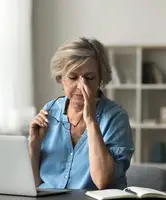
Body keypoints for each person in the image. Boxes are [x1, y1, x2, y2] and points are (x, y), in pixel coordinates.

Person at [29, 37, 135, 190]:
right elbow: (33, 184)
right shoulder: (50, 110)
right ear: (61, 79)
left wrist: (91, 121)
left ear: (100, 79)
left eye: (90, 77)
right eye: (73, 77)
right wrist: (34, 144)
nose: (81, 85)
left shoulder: (115, 117)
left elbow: (103, 181)